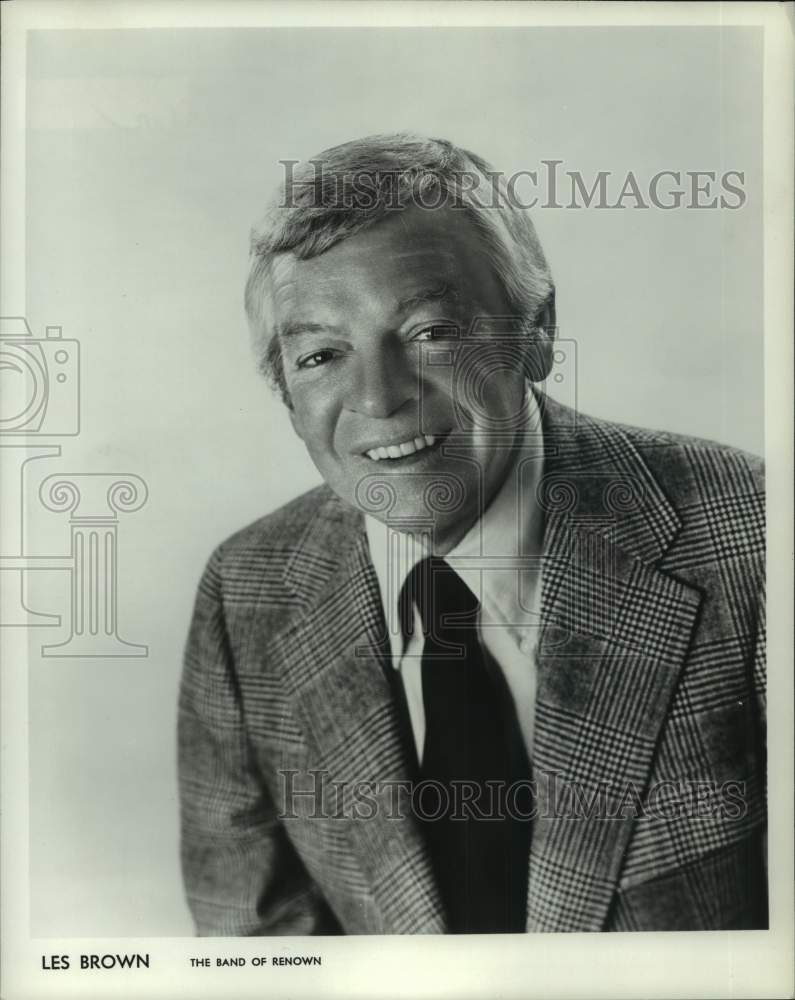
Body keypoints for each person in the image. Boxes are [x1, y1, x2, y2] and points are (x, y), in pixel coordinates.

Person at [178, 134, 767, 935]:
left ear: (535, 331)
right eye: (320, 354)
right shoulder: (246, 591)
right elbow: (254, 948)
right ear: (283, 390)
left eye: (429, 333)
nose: (379, 399)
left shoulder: (756, 536)